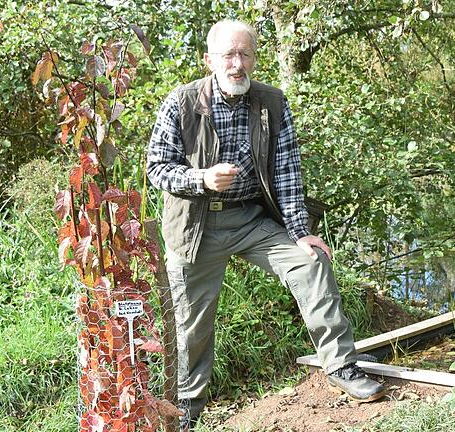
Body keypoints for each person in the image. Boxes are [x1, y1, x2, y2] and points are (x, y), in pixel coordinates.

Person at [146, 19, 384, 430]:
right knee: (192, 322)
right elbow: (157, 169)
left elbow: (288, 171)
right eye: (228, 55)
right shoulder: (181, 103)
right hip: (197, 226)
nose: (237, 64)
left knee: (311, 263)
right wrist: (200, 179)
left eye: (245, 54)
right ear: (210, 60)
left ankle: (341, 366)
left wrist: (299, 230)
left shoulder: (271, 102)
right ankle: (187, 407)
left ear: (254, 58)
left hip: (254, 220)